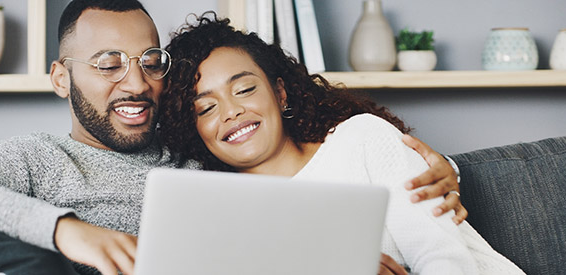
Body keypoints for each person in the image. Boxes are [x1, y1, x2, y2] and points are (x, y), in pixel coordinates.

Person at [0, 1, 462, 274]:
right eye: (108, 64)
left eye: (149, 62)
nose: (136, 83)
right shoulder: (36, 159)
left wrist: (438, 169)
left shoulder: (200, 147)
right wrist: (68, 231)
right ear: (62, 78)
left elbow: (299, 175)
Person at [160, 13, 524, 275]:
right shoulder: (220, 213)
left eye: (244, 89)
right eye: (206, 107)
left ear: (280, 93)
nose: (231, 112)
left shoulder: (362, 139)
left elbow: (443, 256)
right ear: (194, 129)